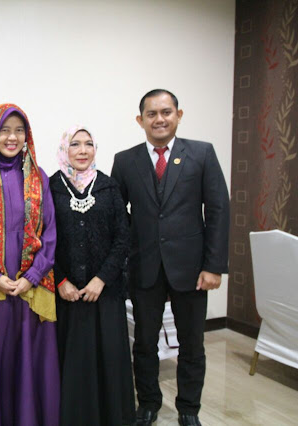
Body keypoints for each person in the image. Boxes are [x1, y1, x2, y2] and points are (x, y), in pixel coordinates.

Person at [111, 89, 230, 426]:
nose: (159, 119)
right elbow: (116, 214)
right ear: (140, 120)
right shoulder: (125, 160)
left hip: (192, 269)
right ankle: (148, 403)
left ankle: (189, 409)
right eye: (151, 114)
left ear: (179, 115)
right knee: (144, 343)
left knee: (192, 344)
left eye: (166, 112)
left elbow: (218, 210)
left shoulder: (202, 154)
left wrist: (213, 266)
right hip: (144, 267)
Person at [0, 103, 60, 426]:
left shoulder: (38, 178)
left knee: (28, 362)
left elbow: (50, 234)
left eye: (19, 131)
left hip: (30, 289)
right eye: (4, 130)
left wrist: (32, 276)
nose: (12, 137)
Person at [49, 125, 135, 426]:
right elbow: (41, 239)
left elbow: (123, 239)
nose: (83, 150)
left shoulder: (109, 188)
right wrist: (60, 280)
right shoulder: (50, 188)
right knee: (72, 360)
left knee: (108, 357)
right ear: (64, 150)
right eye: (75, 144)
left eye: (88, 144)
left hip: (105, 293)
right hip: (66, 295)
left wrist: (102, 279)